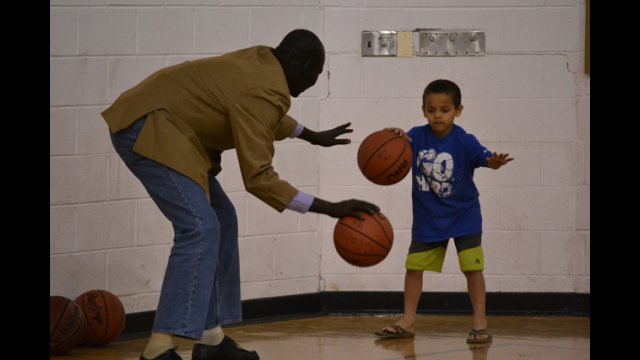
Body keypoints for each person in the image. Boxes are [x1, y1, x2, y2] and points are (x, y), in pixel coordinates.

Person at [103, 29, 379, 360]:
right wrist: (329, 208)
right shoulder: (265, 88)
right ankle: (158, 348)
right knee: (200, 228)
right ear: (304, 66)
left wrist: (310, 136)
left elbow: (259, 111)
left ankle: (211, 339)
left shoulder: (261, 60)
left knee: (222, 218)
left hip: (172, 130)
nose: (313, 83)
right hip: (148, 128)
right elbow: (259, 178)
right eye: (315, 74)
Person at [374, 79, 513, 344]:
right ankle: (408, 320)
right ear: (423, 110)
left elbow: (484, 157)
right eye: (431, 109)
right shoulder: (416, 135)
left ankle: (480, 324)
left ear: (458, 110)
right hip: (429, 219)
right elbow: (395, 148)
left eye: (445, 109)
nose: (437, 115)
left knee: (473, 270)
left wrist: (493, 162)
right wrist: (392, 137)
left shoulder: (464, 140)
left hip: (465, 217)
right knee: (414, 269)